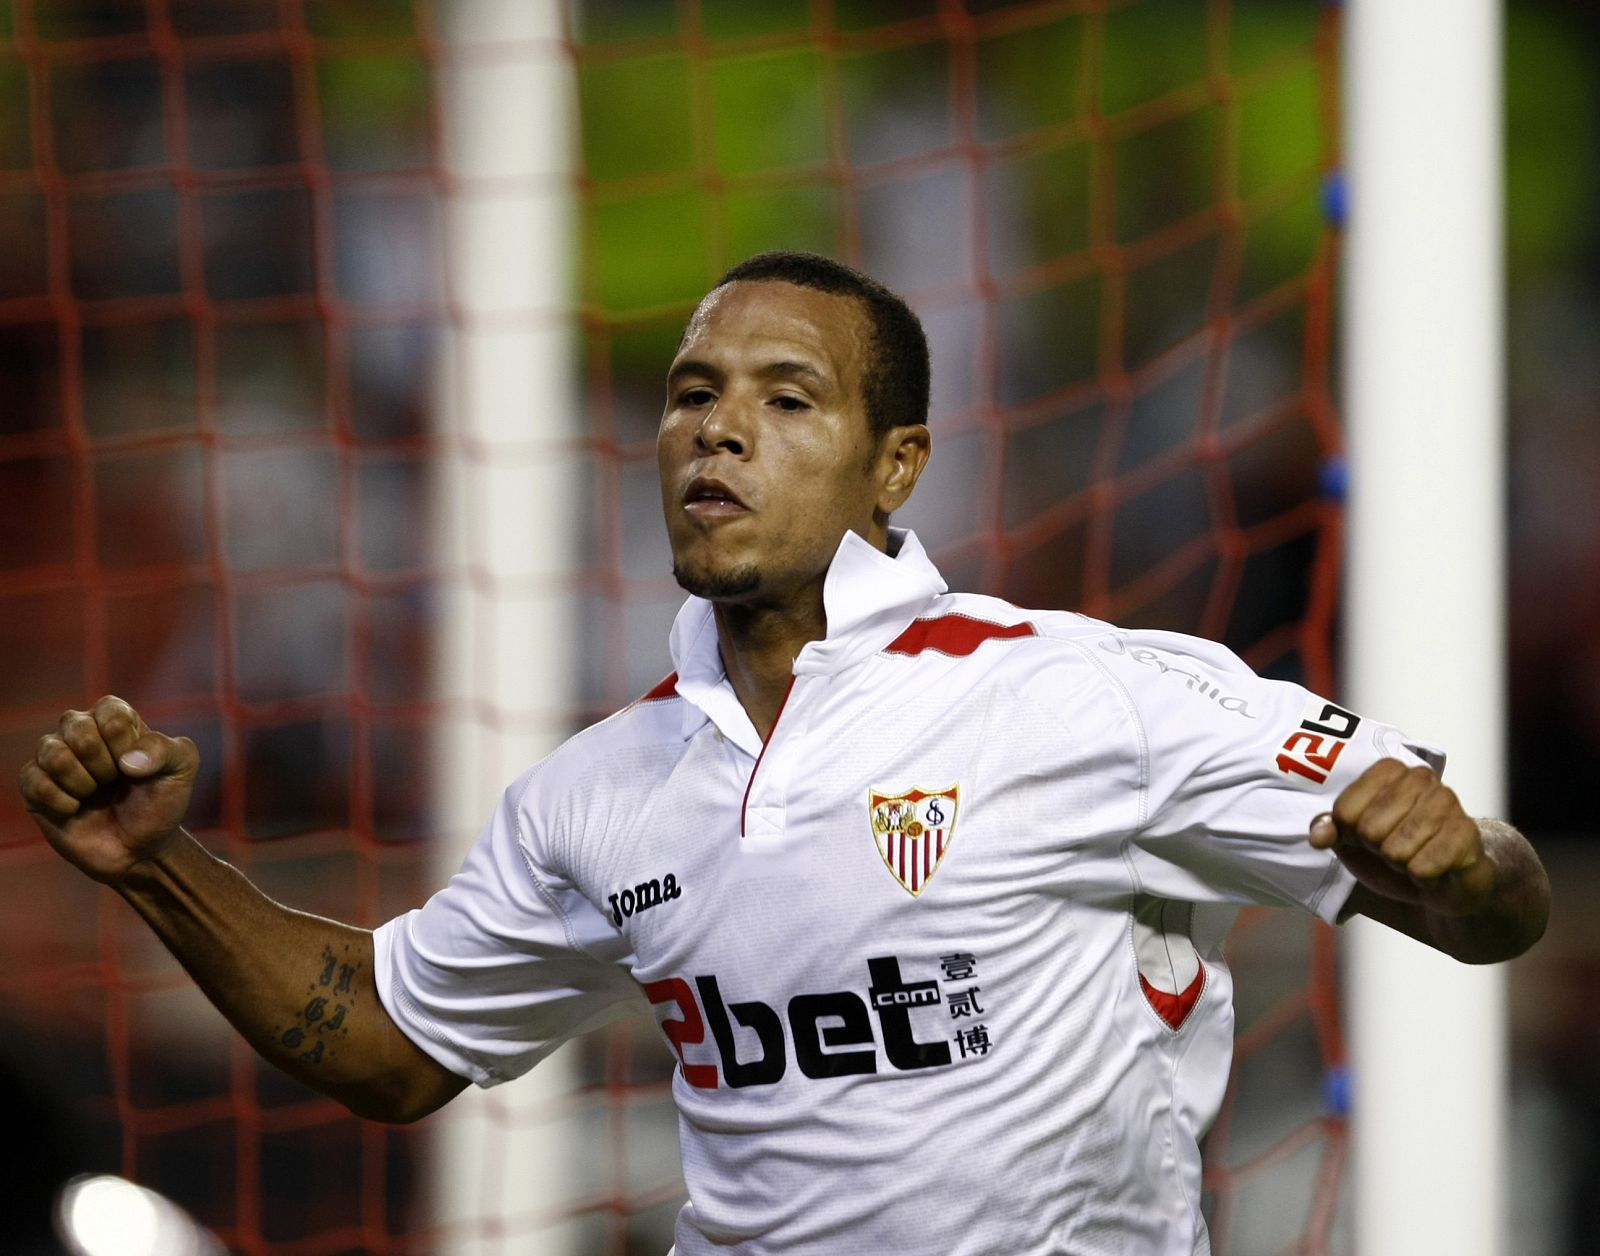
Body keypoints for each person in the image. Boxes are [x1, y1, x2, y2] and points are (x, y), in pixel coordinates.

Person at [19, 251, 1550, 1255]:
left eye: (785, 397)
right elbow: (390, 1044)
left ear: (896, 469)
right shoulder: (596, 794)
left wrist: (1458, 856)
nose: (717, 431)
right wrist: (158, 871)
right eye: (694, 394)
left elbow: (1489, 902)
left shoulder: (1085, 699)